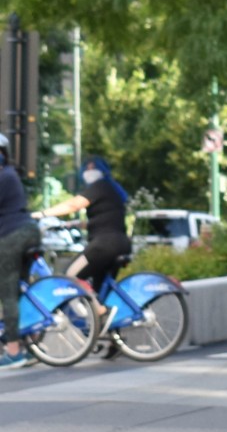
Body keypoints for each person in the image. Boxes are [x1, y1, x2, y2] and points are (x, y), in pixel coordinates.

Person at [36, 156, 132, 320]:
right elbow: (105, 219)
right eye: (87, 167)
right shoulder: (112, 189)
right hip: (121, 243)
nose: (89, 171)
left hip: (104, 245)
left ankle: (96, 313)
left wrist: (42, 214)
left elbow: (73, 205)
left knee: (70, 276)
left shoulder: (100, 186)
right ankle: (108, 328)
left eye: (93, 167)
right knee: (100, 290)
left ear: (103, 169)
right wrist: (75, 224)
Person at [0, 133, 39, 373]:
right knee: (21, 289)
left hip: (12, 235)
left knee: (8, 292)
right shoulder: (10, 174)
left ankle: (13, 351)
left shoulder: (3, 177)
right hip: (28, 231)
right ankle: (30, 343)